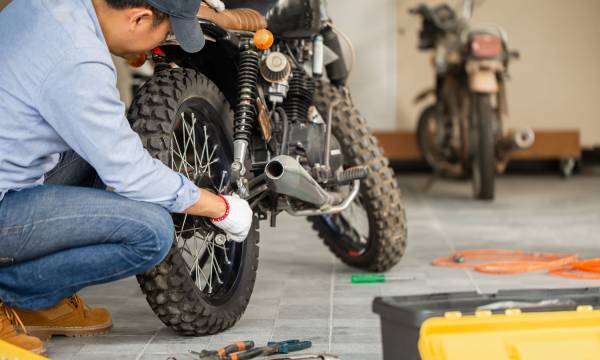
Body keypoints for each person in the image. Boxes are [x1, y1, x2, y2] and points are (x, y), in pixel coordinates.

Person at [0, 0, 253, 354]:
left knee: (97, 150)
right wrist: (218, 207)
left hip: (10, 174)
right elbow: (129, 173)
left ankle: (38, 303)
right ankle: (12, 293)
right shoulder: (79, 60)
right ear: (139, 17)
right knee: (151, 232)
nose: (157, 46)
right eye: (164, 33)